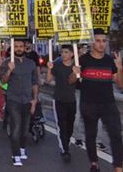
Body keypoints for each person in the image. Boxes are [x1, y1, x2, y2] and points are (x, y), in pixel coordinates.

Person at [74, 29, 123, 172]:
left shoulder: (110, 60)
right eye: (98, 41)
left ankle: (118, 166)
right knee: (91, 134)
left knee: (116, 133)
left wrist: (119, 68)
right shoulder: (82, 60)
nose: (102, 44)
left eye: (104, 41)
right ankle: (94, 162)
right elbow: (72, 81)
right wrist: (74, 72)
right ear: (92, 42)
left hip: (108, 104)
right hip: (88, 104)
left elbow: (120, 84)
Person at [0, 37, 39, 167]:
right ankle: (15, 155)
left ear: (24, 47)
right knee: (16, 128)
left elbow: (35, 83)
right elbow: (2, 81)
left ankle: (22, 148)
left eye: (21, 46)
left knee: (25, 129)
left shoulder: (31, 63)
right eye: (16, 46)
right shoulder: (7, 62)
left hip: (27, 100)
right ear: (13, 48)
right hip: (13, 100)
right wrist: (9, 70)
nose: (19, 48)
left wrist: (35, 100)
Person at [46, 44, 77, 162]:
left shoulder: (76, 65)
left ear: (71, 54)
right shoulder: (57, 64)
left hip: (71, 100)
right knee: (62, 125)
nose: (63, 54)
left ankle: (66, 141)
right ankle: (65, 150)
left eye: (66, 52)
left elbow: (72, 81)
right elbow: (48, 80)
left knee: (70, 125)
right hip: (59, 99)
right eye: (62, 52)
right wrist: (49, 68)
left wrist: (75, 72)